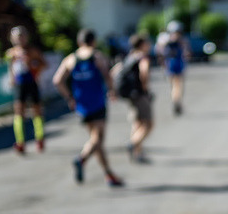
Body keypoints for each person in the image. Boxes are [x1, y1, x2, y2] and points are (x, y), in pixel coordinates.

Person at [53, 29, 124, 187]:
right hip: (97, 102)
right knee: (97, 139)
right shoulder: (97, 56)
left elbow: (57, 80)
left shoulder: (70, 59)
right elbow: (108, 76)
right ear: (93, 41)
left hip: (82, 104)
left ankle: (109, 175)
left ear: (79, 42)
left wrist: (69, 97)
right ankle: (81, 159)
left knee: (96, 139)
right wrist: (112, 91)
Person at [112, 33, 154, 163]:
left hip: (130, 95)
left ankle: (138, 153)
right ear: (142, 44)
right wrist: (145, 89)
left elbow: (114, 72)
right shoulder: (142, 57)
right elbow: (144, 73)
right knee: (148, 124)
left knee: (137, 123)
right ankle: (133, 144)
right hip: (139, 94)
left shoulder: (129, 56)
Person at [6, 26, 47, 154]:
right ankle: (20, 142)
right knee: (19, 111)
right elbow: (11, 67)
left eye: (22, 36)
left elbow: (43, 64)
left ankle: (39, 137)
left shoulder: (33, 51)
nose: (20, 39)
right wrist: (11, 78)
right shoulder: (11, 53)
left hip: (31, 83)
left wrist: (34, 68)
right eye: (17, 37)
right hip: (19, 85)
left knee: (37, 110)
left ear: (26, 37)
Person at [159, 21, 191, 116]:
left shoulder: (165, 40)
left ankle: (175, 100)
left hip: (170, 65)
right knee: (178, 85)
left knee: (174, 85)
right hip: (178, 64)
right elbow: (187, 53)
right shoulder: (182, 40)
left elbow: (160, 52)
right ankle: (177, 101)